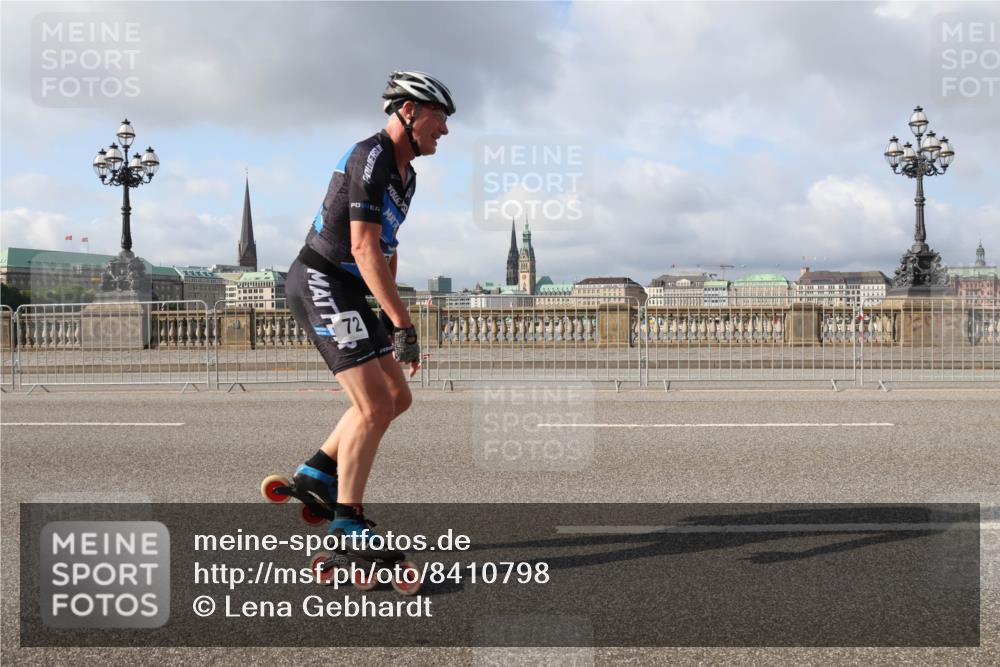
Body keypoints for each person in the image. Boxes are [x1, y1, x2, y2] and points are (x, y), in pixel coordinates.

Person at [283, 70, 454, 536]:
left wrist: (386, 313)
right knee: (375, 405)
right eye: (439, 117)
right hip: (320, 280)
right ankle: (346, 519)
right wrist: (403, 325)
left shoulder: (408, 177)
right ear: (409, 111)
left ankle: (318, 470)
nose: (445, 129)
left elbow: (387, 249)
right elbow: (362, 248)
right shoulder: (371, 156)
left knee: (398, 397)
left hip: (351, 291)